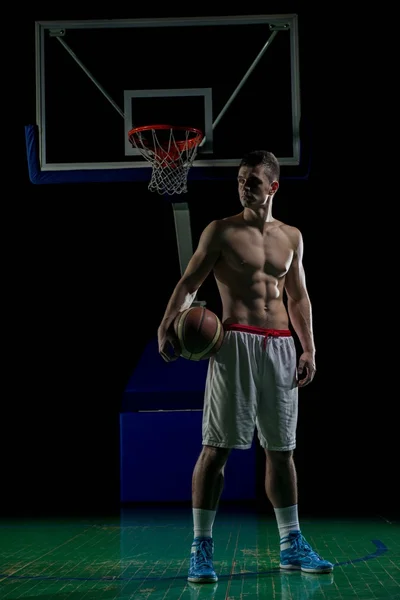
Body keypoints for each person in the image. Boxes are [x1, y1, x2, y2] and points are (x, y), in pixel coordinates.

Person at [157, 150, 334, 583]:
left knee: (282, 450)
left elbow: (297, 297)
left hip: (280, 347)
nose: (244, 185)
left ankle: (291, 544)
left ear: (273, 186)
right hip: (234, 343)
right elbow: (189, 283)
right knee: (216, 449)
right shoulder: (220, 231)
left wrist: (308, 348)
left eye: (253, 180)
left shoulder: (292, 237)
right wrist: (166, 325)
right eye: (240, 179)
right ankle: (201, 547)